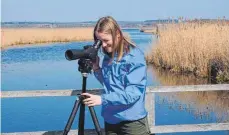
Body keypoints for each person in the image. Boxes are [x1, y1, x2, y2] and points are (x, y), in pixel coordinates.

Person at [81, 16, 151, 135]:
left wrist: (102, 99)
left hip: (131, 121)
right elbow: (109, 85)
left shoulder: (134, 57)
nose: (102, 45)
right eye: (99, 41)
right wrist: (97, 68)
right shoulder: (108, 56)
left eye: (106, 40)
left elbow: (133, 93)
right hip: (111, 119)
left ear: (117, 34)